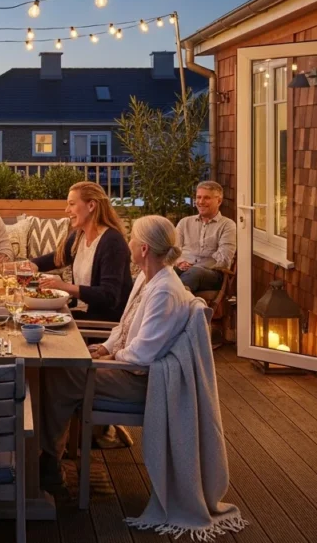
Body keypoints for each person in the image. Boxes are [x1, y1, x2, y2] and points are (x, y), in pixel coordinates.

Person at [38, 215, 193, 491]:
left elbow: (142, 356)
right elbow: (124, 326)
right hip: (126, 366)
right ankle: (47, 453)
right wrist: (105, 347)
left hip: (141, 381)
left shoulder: (164, 292)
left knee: (58, 373)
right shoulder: (148, 279)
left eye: (132, 237)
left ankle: (48, 460)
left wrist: (106, 358)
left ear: (143, 249)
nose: (128, 242)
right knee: (57, 367)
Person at [31, 181, 131, 322]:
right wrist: (30, 265)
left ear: (91, 205)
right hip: (78, 313)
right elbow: (57, 258)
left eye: (72, 204)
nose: (67, 210)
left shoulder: (112, 242)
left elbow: (109, 295)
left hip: (100, 322)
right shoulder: (80, 236)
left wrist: (65, 287)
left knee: (37, 323)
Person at [175, 181, 237, 293]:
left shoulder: (227, 225)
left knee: (194, 272)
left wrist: (197, 262)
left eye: (206, 198)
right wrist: (180, 261)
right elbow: (173, 250)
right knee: (160, 271)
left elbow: (224, 260)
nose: (201, 202)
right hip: (183, 268)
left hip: (211, 274)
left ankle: (171, 304)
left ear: (219, 201)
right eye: (198, 197)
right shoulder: (185, 222)